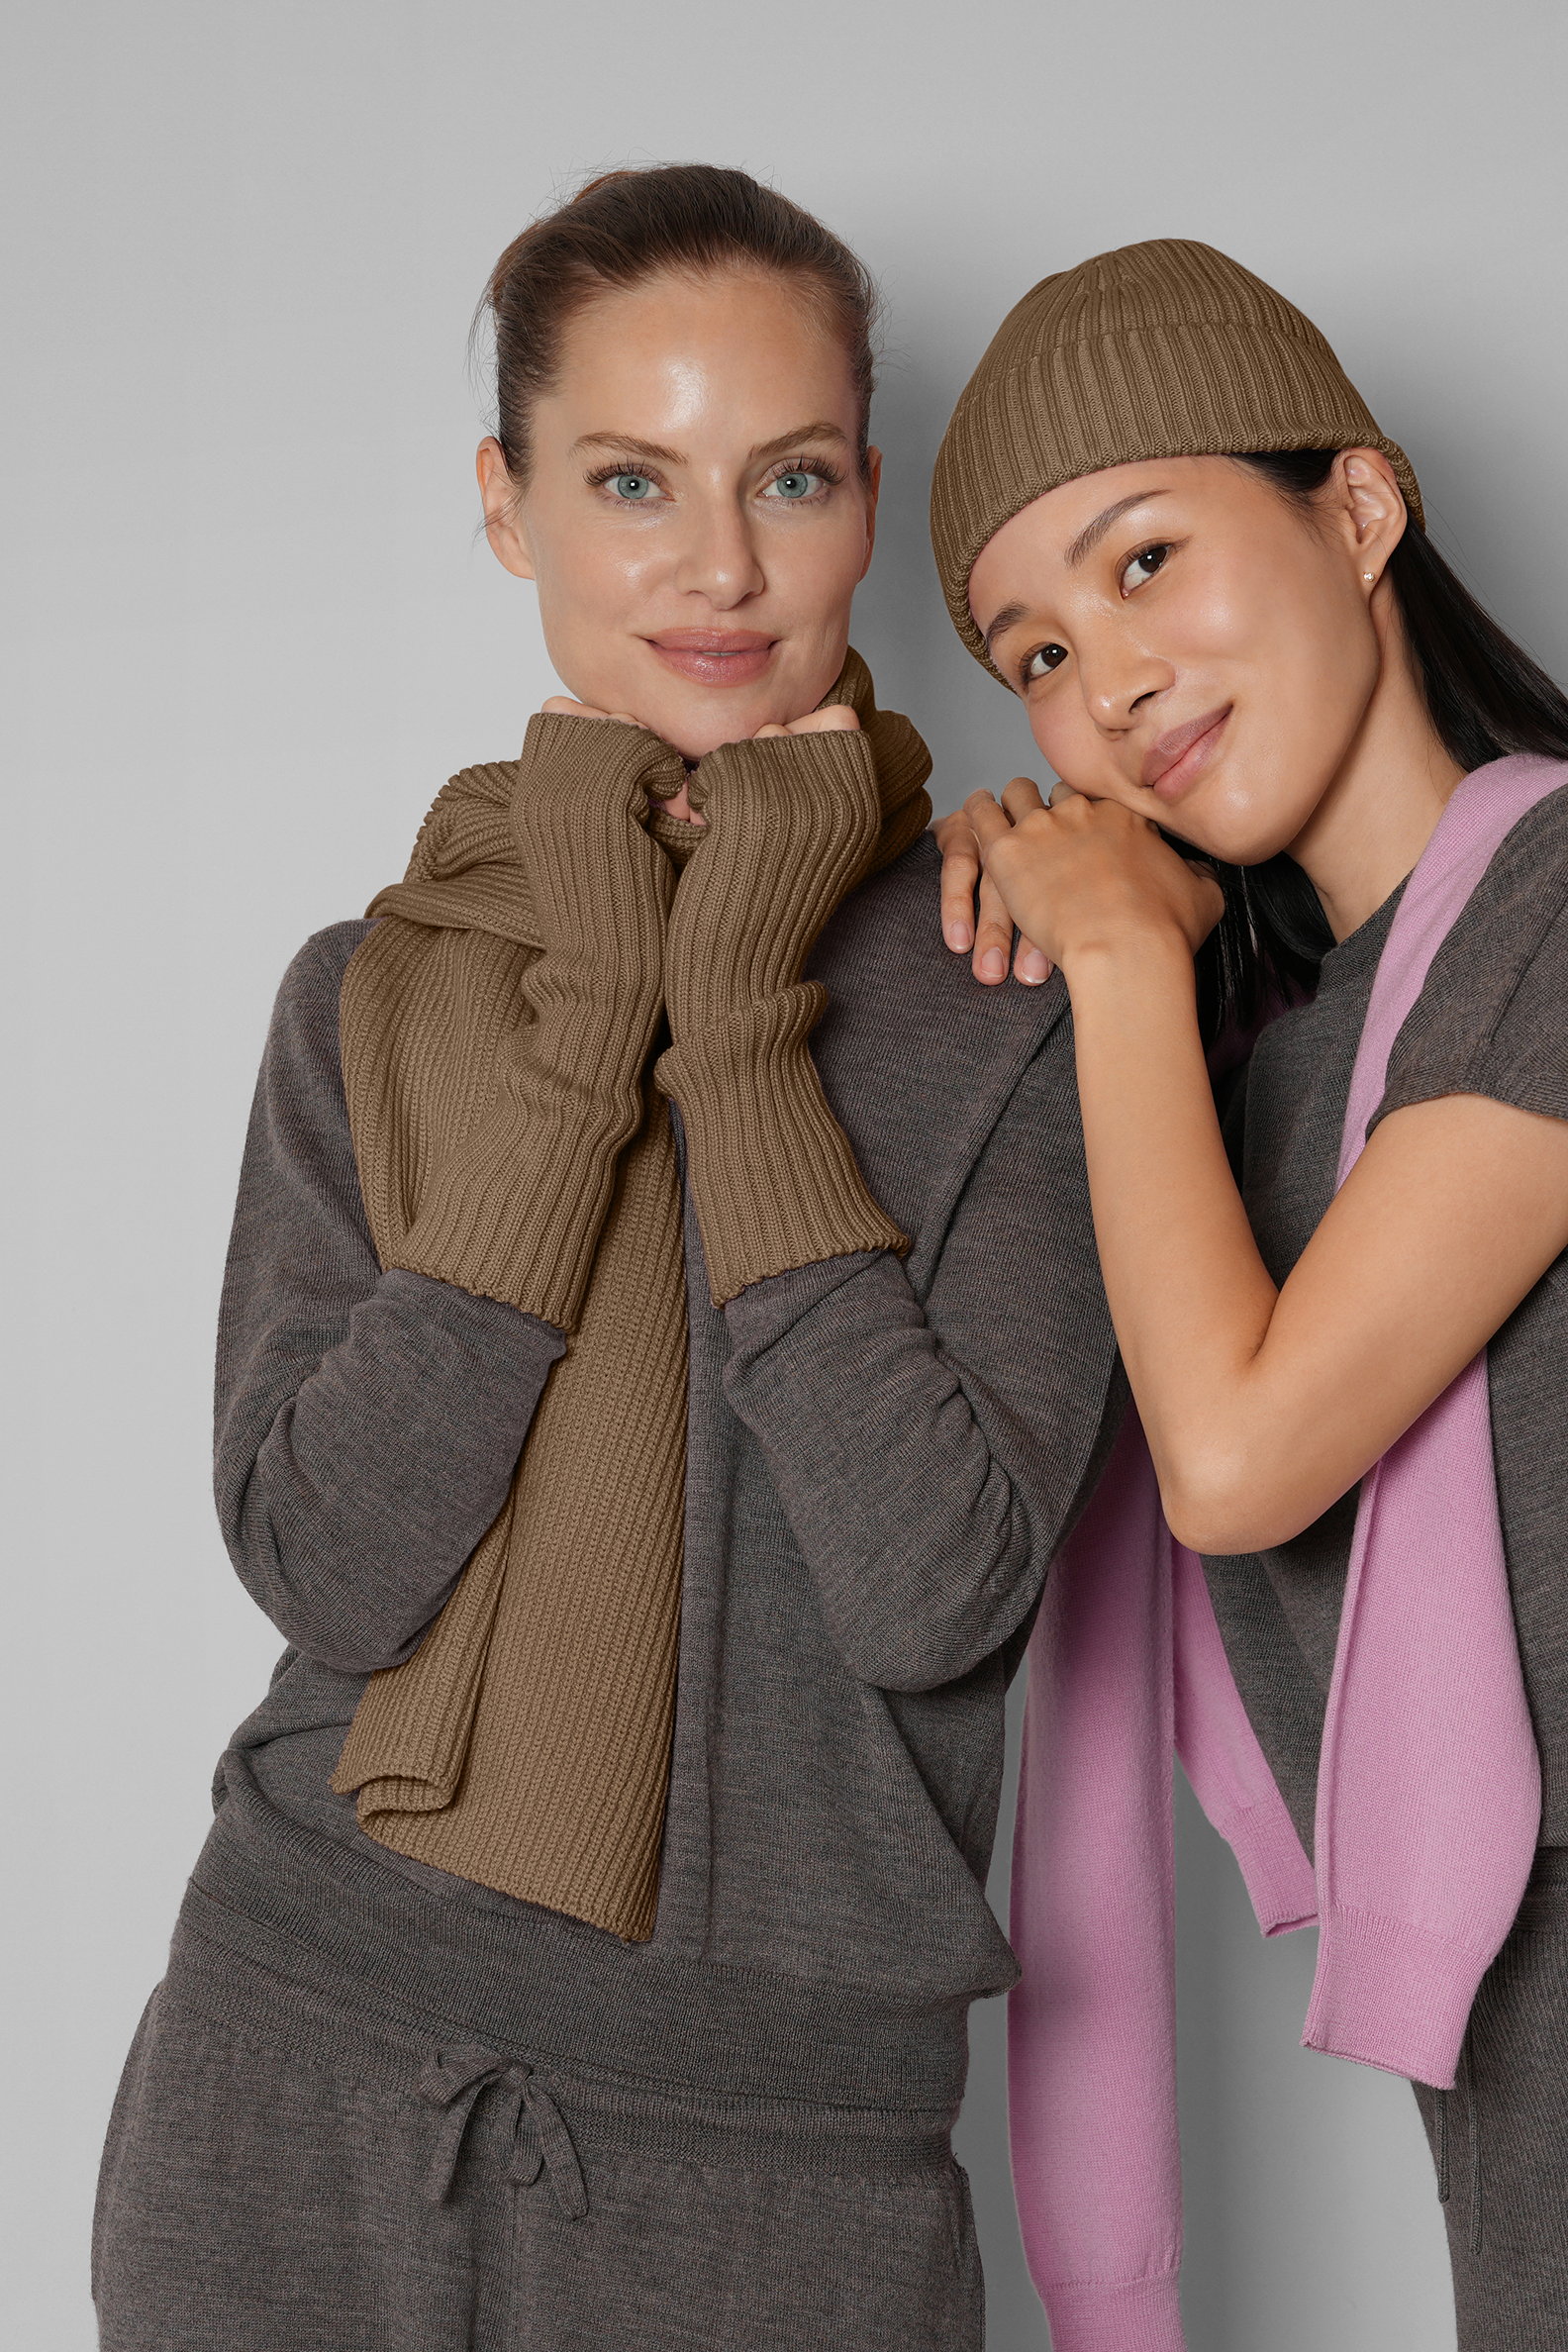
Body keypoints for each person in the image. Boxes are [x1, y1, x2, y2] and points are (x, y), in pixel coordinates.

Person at [91, 164, 1127, 2351]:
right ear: (509, 505)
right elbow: (329, 1564)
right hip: (301, 2066)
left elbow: (936, 1592)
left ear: (869, 501)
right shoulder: (375, 991)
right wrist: (589, 1042)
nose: (720, 565)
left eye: (793, 478)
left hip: (779, 2158)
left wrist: (736, 1030)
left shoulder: (1027, 990)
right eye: (632, 479)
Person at [930, 237, 1568, 2351]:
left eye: (1145, 561)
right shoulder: (1260, 1072)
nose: (1106, 682)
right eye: (1035, 651)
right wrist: (1062, 965)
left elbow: (1238, 1454)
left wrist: (1117, 952)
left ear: (1359, 508)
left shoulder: (1556, 900)